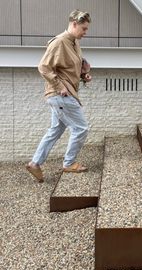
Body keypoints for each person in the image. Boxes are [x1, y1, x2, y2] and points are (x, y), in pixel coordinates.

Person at [26, 9, 91, 183]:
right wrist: (60, 85)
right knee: (81, 128)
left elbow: (68, 69)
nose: (86, 32)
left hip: (64, 93)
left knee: (55, 130)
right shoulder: (60, 42)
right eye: (83, 28)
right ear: (74, 24)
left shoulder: (74, 43)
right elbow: (44, 67)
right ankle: (69, 163)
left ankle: (35, 163)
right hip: (61, 94)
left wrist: (83, 75)